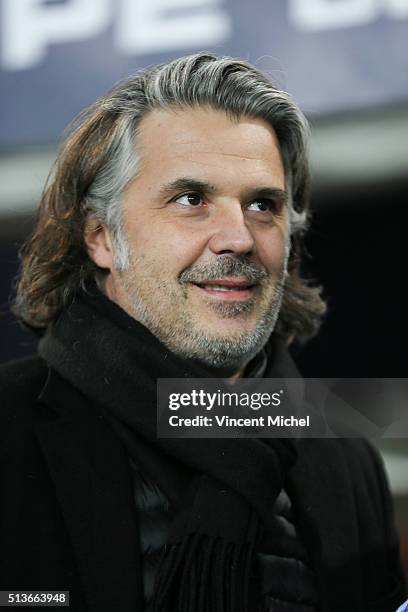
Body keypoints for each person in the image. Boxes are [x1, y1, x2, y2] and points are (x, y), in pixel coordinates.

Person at [0, 53, 405, 612]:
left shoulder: (345, 455)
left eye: (263, 205)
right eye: (191, 200)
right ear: (100, 238)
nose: (238, 238)